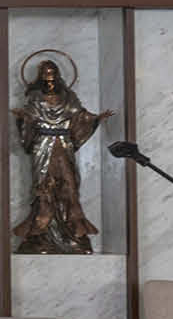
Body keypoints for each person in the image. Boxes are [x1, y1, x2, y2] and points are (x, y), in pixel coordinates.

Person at [11, 58, 113, 255]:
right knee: (43, 188)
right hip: (43, 146)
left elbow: (80, 115)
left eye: (52, 74)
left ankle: (73, 232)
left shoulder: (68, 96)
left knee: (69, 186)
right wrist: (22, 118)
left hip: (63, 145)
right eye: (45, 74)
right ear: (40, 77)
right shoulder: (35, 98)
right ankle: (40, 234)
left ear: (58, 75)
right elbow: (29, 117)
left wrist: (96, 118)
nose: (49, 79)